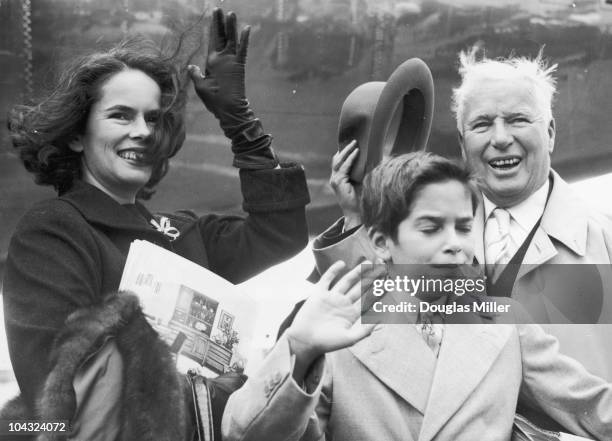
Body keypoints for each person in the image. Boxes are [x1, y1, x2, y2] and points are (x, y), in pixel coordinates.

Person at [1, 8, 309, 441]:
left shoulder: (180, 233)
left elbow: (280, 235)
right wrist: (212, 394)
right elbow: (62, 395)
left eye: (153, 118)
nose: (143, 131)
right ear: (75, 135)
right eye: (121, 116)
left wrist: (239, 121)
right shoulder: (52, 232)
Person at [222, 152, 612, 441]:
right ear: (381, 241)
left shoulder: (503, 320)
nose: (454, 245)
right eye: (430, 229)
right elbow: (245, 434)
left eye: (463, 227)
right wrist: (301, 351)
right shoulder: (336, 329)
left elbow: (591, 407)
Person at [310, 47, 612, 385]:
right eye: (482, 124)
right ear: (462, 141)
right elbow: (371, 315)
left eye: (518, 120)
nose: (500, 138)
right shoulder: (422, 234)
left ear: (551, 133)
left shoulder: (605, 240)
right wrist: (358, 219)